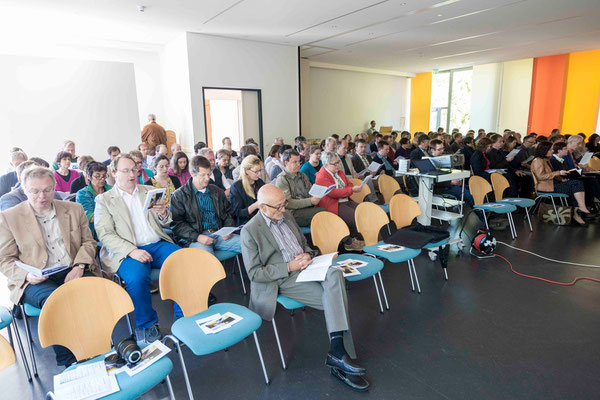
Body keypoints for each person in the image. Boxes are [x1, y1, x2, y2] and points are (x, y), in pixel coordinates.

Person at [240, 184, 368, 391]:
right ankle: (341, 358)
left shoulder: (287, 216)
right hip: (283, 278)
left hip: (307, 267)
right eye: (278, 207)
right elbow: (254, 273)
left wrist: (308, 254)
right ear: (262, 208)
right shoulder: (250, 231)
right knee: (336, 298)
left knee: (335, 274)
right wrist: (288, 266)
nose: (283, 210)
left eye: (285, 204)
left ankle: (337, 353)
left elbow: (304, 245)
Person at [0, 166, 97, 367]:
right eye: (34, 191)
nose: (41, 196)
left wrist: (79, 266)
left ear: (55, 188)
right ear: (24, 190)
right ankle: (70, 362)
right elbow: (5, 260)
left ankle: (98, 347)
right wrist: (27, 275)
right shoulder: (9, 217)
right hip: (35, 278)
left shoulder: (73, 209)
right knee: (56, 301)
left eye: (47, 190)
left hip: (72, 267)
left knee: (94, 291)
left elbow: (89, 243)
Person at [94, 154, 182, 342]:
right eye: (125, 170)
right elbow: (105, 235)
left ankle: (182, 315)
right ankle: (147, 325)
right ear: (114, 172)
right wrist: (131, 251)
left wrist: (164, 212)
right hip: (127, 251)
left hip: (156, 244)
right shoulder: (105, 200)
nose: (131, 174)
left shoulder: (149, 190)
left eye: (134, 169)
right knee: (137, 278)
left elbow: (166, 221)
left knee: (182, 260)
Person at [171, 155, 241, 257]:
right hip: (195, 238)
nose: (207, 179)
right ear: (192, 174)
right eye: (203, 175)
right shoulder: (179, 195)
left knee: (249, 244)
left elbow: (228, 213)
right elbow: (177, 225)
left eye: (209, 174)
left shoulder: (216, 190)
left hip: (219, 233)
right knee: (208, 260)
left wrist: (228, 229)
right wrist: (198, 237)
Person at [531, 141, 590, 226]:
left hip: (552, 185)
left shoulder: (545, 160)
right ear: (544, 150)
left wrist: (561, 180)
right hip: (545, 188)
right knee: (576, 185)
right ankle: (578, 211)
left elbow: (551, 174)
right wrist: (558, 173)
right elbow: (540, 176)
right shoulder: (538, 161)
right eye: (550, 149)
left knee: (576, 186)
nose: (552, 151)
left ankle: (578, 211)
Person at [315, 152, 364, 251]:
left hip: (344, 200)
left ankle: (366, 239)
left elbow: (349, 184)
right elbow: (333, 193)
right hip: (333, 204)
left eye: (338, 162)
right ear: (326, 165)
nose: (338, 165)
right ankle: (358, 241)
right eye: (335, 164)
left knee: (363, 211)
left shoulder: (339, 172)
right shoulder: (321, 176)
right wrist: (350, 190)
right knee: (354, 216)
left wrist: (349, 189)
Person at [275, 149, 325, 227]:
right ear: (286, 163)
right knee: (322, 213)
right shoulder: (282, 179)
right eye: (295, 162)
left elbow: (311, 191)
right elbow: (288, 203)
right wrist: (310, 201)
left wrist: (317, 194)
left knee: (326, 208)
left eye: (299, 162)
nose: (298, 164)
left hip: (307, 207)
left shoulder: (302, 175)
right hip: (293, 213)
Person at [551, 142, 600, 211]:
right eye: (565, 149)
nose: (567, 150)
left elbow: (566, 171)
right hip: (560, 182)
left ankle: (588, 206)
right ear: (559, 151)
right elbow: (558, 174)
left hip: (566, 178)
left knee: (591, 181)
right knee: (587, 182)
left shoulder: (561, 160)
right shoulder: (553, 160)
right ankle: (585, 207)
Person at [1, 160, 65, 211]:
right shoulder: (9, 199)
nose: (42, 196)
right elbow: (15, 222)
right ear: (20, 179)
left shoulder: (54, 193)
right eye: (32, 176)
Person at [429, 140, 474, 207]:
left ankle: (483, 212)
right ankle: (482, 215)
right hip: (442, 187)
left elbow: (450, 172)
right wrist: (451, 182)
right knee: (469, 195)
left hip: (450, 183)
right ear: (432, 150)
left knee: (474, 189)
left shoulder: (442, 158)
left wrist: (457, 179)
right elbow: (433, 181)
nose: (442, 151)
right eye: (439, 149)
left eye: (443, 148)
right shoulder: (429, 161)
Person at [76, 162, 112, 240]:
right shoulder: (82, 194)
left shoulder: (112, 190)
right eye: (97, 176)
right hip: (94, 233)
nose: (102, 179)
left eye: (104, 176)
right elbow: (90, 217)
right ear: (89, 177)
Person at [229, 155, 265, 225]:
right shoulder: (236, 187)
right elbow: (237, 213)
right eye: (256, 171)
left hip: (260, 221)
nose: (259, 174)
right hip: (245, 224)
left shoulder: (259, 182)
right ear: (246, 171)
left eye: (260, 171)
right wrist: (255, 206)